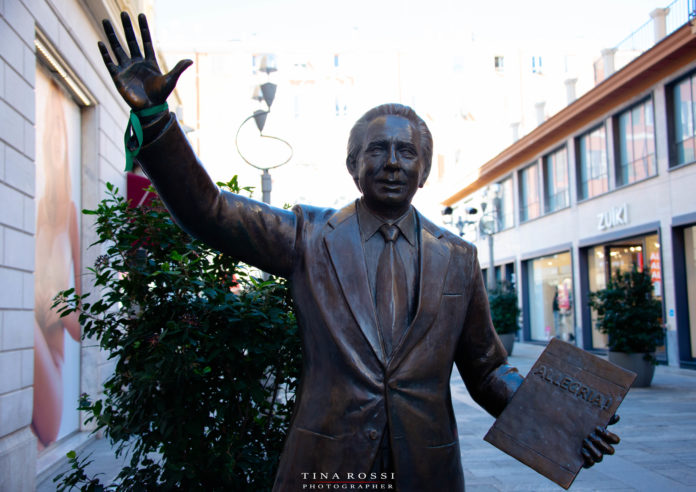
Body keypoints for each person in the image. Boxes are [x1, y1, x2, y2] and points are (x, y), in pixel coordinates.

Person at [98, 12, 619, 490]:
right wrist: (159, 121)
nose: (392, 162)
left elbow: (486, 369)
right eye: (378, 150)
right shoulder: (308, 236)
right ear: (353, 165)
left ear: (424, 170)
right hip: (327, 464)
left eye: (406, 152)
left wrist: (562, 420)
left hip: (426, 469)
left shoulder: (458, 257)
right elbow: (210, 212)